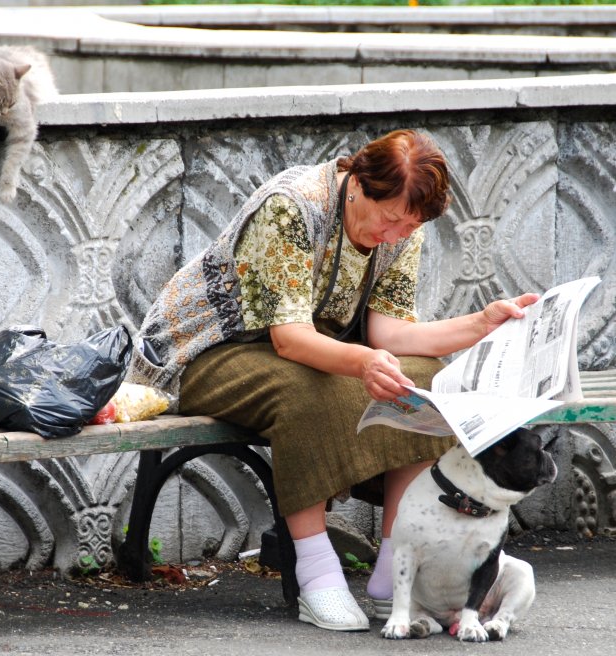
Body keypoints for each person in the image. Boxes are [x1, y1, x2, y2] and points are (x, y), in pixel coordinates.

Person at [128, 129, 539, 632]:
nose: (394, 235)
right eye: (389, 220)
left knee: (425, 377)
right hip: (212, 352)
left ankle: (392, 575)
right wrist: (363, 362)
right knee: (309, 389)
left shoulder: (404, 222)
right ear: (360, 185)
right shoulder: (292, 206)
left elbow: (390, 331)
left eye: (406, 227)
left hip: (304, 347)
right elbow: (291, 341)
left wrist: (479, 324)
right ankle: (316, 575)